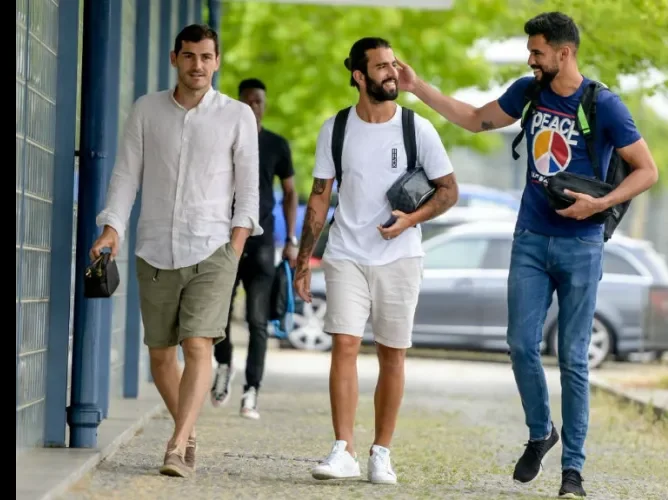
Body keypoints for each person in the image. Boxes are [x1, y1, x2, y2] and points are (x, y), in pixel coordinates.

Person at [395, 12, 659, 498]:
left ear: (565, 52)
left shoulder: (605, 105)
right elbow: (475, 120)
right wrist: (417, 88)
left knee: (575, 359)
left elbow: (647, 171)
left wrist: (598, 205)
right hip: (531, 238)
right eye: (530, 53)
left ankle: (573, 473)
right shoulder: (530, 91)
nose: (531, 60)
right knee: (520, 344)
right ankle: (542, 432)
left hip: (581, 243)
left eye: (538, 52)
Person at [90, 24, 261, 478]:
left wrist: (236, 244)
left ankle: (177, 443)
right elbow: (126, 175)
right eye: (189, 56)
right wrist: (112, 229)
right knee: (161, 354)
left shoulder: (237, 115)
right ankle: (188, 430)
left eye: (206, 57)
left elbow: (248, 189)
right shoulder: (146, 110)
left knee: (198, 343)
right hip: (153, 247)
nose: (198, 65)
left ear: (217, 61)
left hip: (213, 248)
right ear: (174, 59)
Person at [293, 37, 458, 485]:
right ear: (359, 76)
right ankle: (342, 449)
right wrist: (303, 259)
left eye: (394, 64)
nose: (392, 73)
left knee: (392, 353)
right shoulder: (337, 128)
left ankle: (380, 452)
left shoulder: (416, 128)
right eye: (382, 67)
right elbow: (320, 197)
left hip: (400, 257)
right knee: (344, 344)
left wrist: (411, 221)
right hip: (346, 252)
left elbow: (448, 191)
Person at [209, 78, 298, 420]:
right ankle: (224, 364)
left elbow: (291, 192)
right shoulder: (224, 141)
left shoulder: (276, 145)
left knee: (257, 319)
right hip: (224, 237)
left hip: (262, 240)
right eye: (246, 101)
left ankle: (252, 390)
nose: (253, 106)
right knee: (218, 313)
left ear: (264, 104)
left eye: (258, 101)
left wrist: (291, 240)